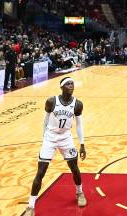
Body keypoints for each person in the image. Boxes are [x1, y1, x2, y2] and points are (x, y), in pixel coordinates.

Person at [24, 77, 86, 215]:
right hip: (50, 138)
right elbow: (45, 120)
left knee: (74, 168)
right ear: (61, 87)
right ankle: (31, 206)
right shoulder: (52, 101)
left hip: (66, 138)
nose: (71, 85)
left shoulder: (78, 104)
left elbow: (79, 125)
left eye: (72, 83)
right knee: (41, 172)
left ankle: (80, 192)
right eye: (68, 84)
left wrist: (82, 144)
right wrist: (44, 138)